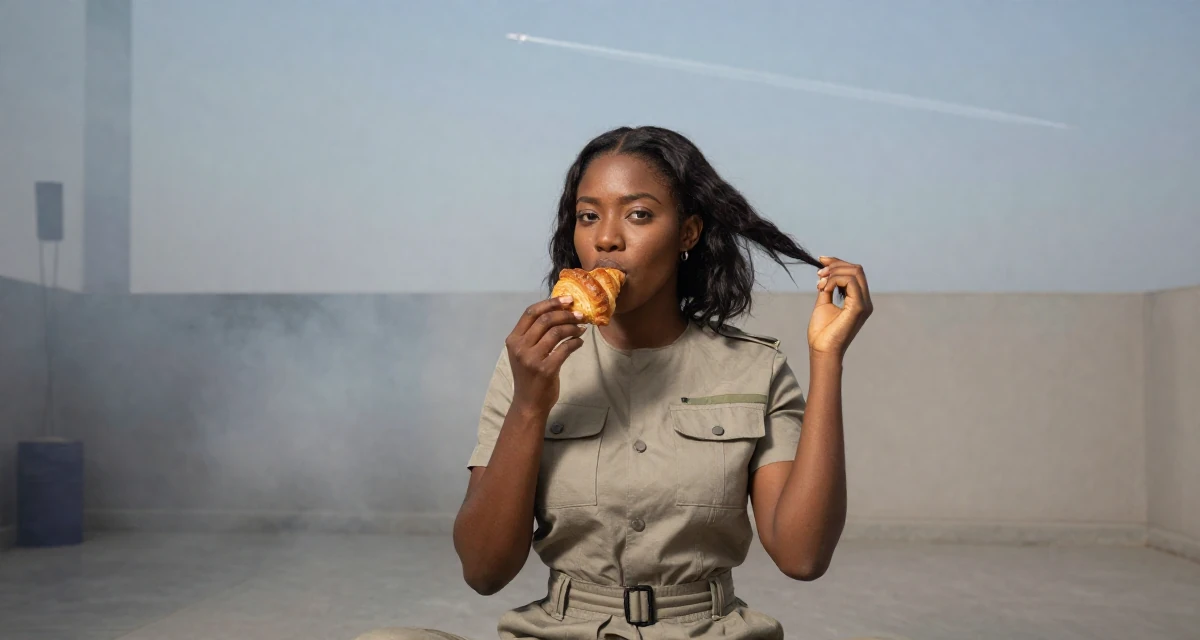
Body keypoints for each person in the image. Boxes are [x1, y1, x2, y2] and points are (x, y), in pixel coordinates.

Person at [358, 126, 874, 640]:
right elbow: (483, 570)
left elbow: (802, 556)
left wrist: (826, 358)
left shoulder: (752, 368)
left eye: (639, 214)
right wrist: (530, 407)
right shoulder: (530, 363)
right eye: (588, 216)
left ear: (687, 233)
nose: (606, 238)